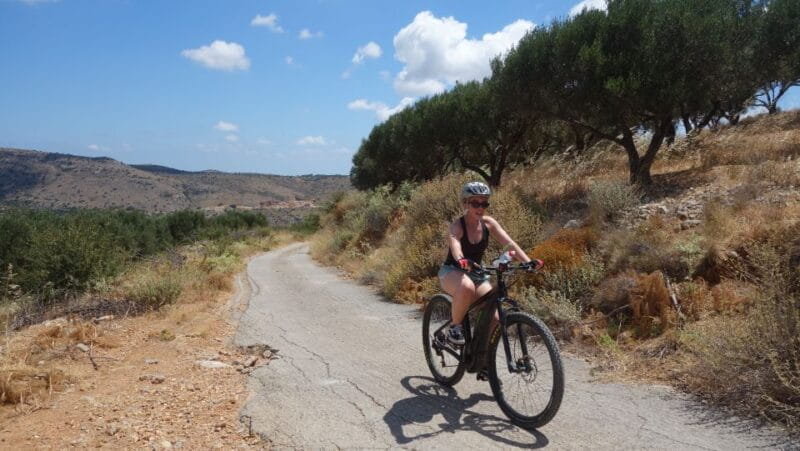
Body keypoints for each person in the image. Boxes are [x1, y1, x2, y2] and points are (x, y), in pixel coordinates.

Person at [438, 181, 542, 346]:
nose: (480, 207)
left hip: (475, 274)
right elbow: (455, 246)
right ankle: (455, 328)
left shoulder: (488, 223)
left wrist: (528, 262)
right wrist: (462, 260)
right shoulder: (457, 226)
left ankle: (482, 356)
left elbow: (509, 244)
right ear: (465, 203)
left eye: (484, 203)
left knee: (495, 317)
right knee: (466, 287)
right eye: (475, 203)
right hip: (451, 271)